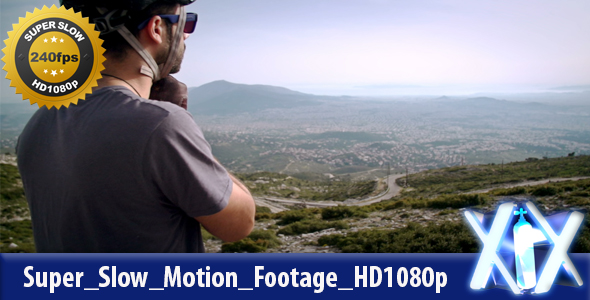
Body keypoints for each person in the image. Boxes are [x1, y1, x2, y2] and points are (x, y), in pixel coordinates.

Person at [16, 0, 255, 252]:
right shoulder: (160, 124)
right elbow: (239, 224)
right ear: (156, 28)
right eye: (187, 23)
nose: (185, 34)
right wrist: (185, 137)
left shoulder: (39, 123)